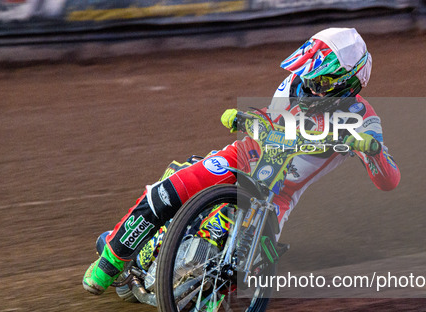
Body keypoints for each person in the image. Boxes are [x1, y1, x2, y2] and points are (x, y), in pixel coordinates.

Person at [83, 27, 401, 296]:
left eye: (321, 82)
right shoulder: (294, 83)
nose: (309, 85)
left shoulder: (363, 120)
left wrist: (373, 152)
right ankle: (111, 262)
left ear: (348, 83)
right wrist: (248, 119)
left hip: (277, 197)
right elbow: (274, 122)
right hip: (242, 157)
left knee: (241, 278)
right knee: (167, 191)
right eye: (309, 75)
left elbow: (390, 180)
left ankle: (192, 285)